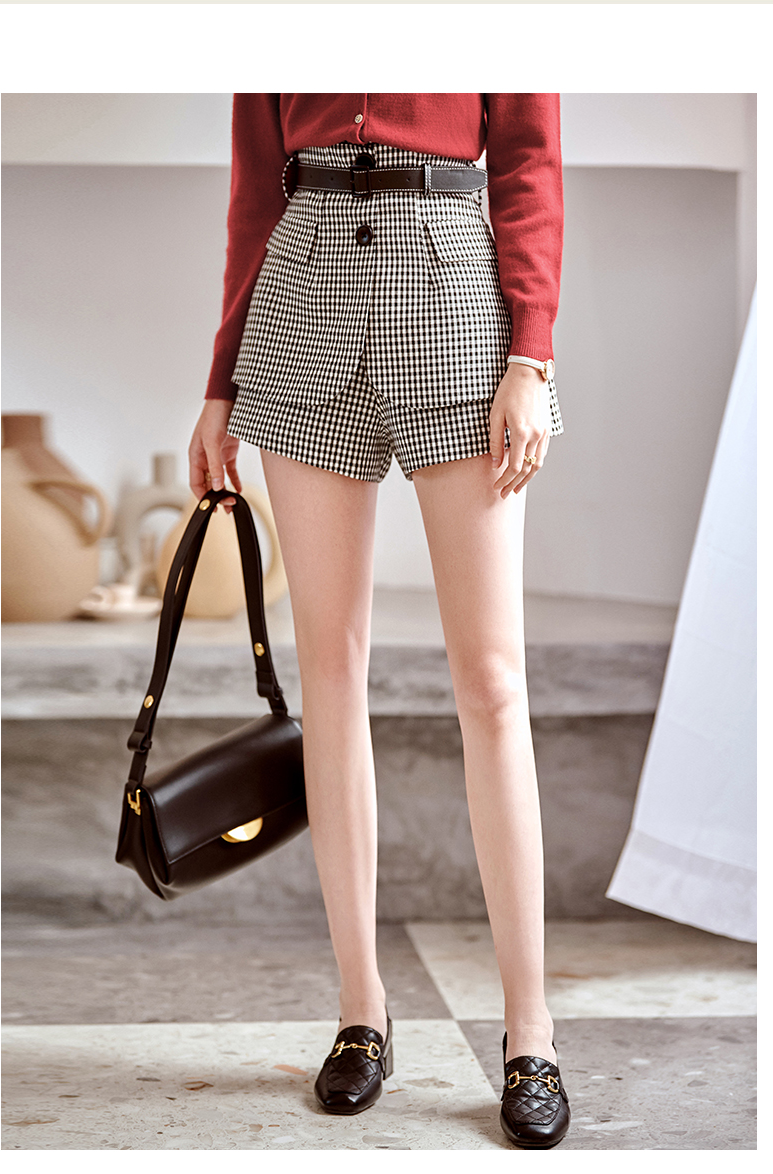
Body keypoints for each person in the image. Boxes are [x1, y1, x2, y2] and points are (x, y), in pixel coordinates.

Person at [188, 93, 569, 1149]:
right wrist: (219, 383)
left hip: (453, 289)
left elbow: (530, 166)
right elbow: (253, 197)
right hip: (301, 296)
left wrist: (530, 356)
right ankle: (362, 1013)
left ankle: (530, 1035)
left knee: (492, 681)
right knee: (331, 668)